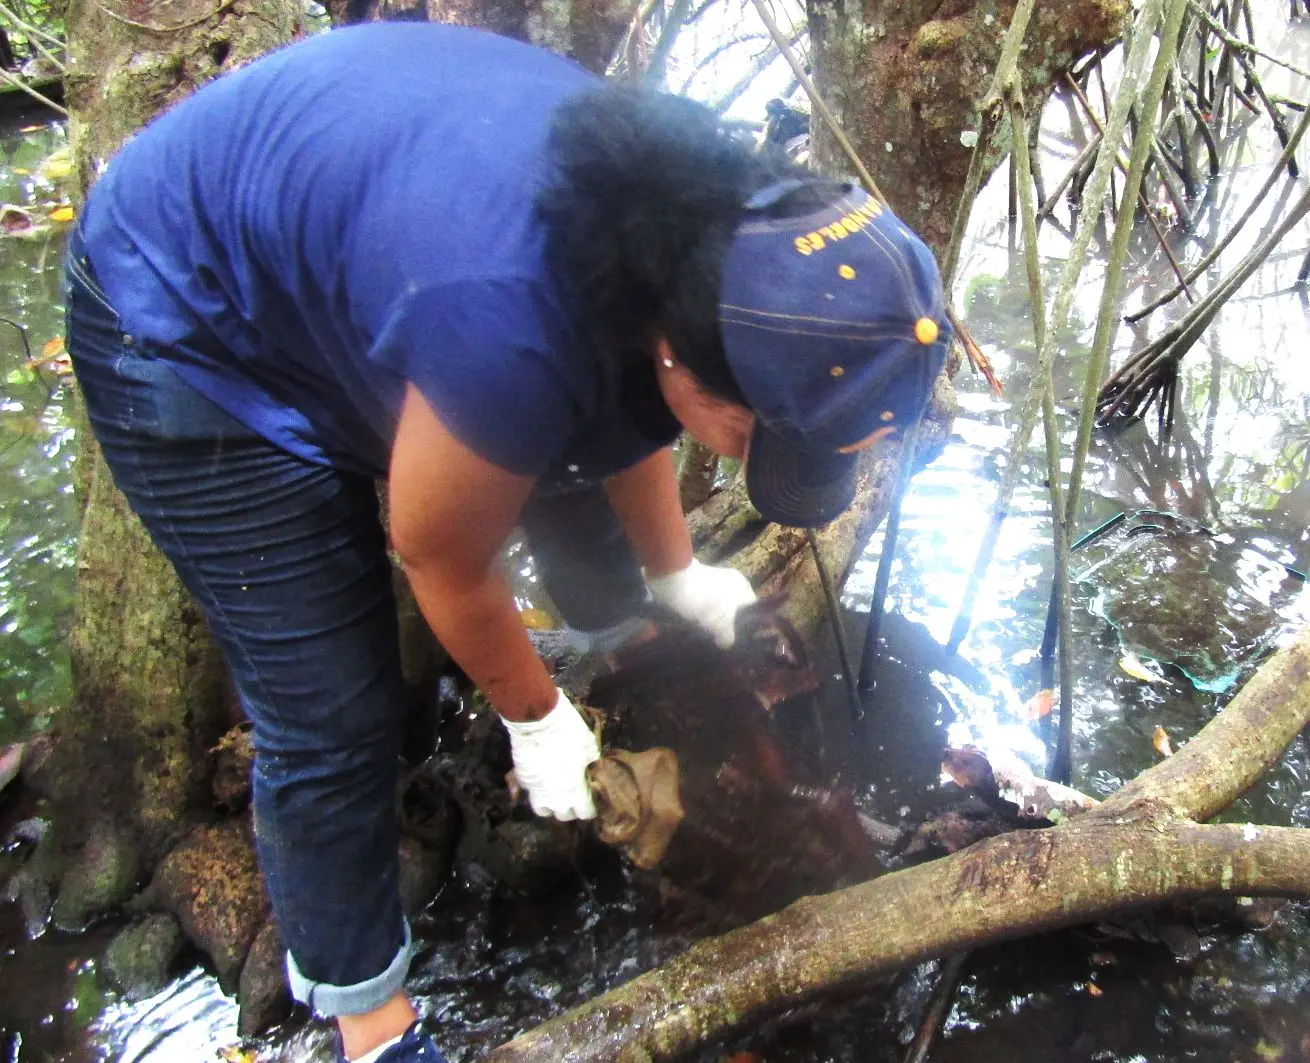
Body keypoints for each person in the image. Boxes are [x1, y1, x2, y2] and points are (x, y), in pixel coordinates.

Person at [63, 21, 951, 1063]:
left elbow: (631, 409)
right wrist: (532, 717)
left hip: (387, 261)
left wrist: (673, 577)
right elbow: (438, 554)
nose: (754, 455)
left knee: (585, 543)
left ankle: (588, 653)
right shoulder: (506, 322)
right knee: (328, 704)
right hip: (187, 317)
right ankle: (369, 1019)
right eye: (752, 431)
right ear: (680, 350)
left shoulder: (708, 240)